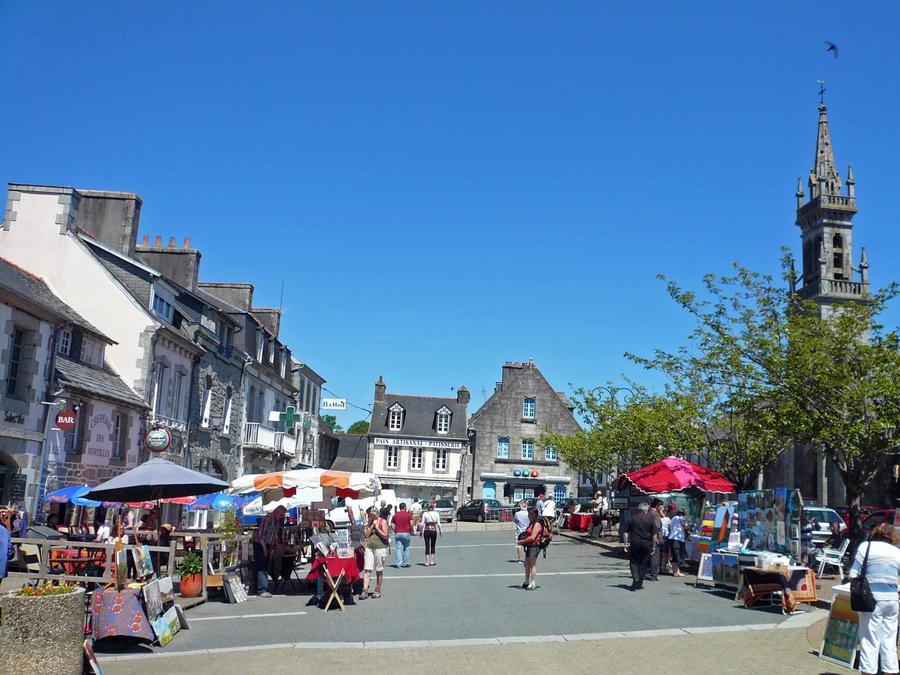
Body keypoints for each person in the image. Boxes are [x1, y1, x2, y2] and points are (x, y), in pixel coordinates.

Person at [849, 523, 900, 675]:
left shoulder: (866, 547)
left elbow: (853, 574)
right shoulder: (897, 552)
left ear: (876, 533)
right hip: (892, 600)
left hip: (871, 600)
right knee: (889, 641)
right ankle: (890, 671)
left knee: (869, 640)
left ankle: (868, 672)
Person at [252, 505, 286, 598]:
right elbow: (260, 535)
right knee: (262, 566)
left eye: (283, 515)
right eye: (281, 514)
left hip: (267, 544)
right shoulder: (268, 518)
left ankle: (258, 587)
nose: (282, 517)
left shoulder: (277, 521)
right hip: (260, 543)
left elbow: (273, 536)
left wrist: (270, 549)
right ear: (277, 511)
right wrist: (264, 549)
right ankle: (262, 590)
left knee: (264, 565)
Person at [623, 502, 658, 591]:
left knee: (634, 561)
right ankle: (639, 582)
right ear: (647, 510)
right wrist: (653, 546)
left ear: (639, 509)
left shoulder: (632, 518)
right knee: (644, 563)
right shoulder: (650, 519)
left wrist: (626, 544)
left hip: (635, 541)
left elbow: (625, 532)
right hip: (646, 542)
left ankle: (636, 578)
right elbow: (654, 535)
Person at [361, 506, 389, 599]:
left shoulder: (382, 521)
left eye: (370, 515)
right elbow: (366, 535)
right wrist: (371, 525)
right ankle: (364, 590)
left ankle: (377, 590)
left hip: (380, 547)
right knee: (367, 569)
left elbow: (385, 535)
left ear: (374, 514)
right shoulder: (369, 523)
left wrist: (377, 528)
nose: (369, 516)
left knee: (378, 569)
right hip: (369, 547)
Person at [519, 507, 544, 590]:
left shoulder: (537, 524)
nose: (528, 516)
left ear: (533, 515)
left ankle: (533, 583)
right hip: (529, 546)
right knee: (526, 564)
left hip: (534, 546)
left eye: (529, 514)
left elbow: (533, 537)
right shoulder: (531, 523)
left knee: (532, 565)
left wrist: (523, 542)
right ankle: (526, 581)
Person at [667, 509, 688, 577]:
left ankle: (675, 571)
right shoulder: (681, 518)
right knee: (678, 555)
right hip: (678, 539)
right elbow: (685, 526)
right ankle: (677, 571)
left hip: (672, 538)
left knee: (674, 555)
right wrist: (687, 526)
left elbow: (670, 526)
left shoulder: (673, 518)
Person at [392, 502, 413, 568]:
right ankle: (405, 563)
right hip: (406, 532)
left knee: (398, 549)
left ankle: (398, 563)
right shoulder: (408, 515)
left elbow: (392, 524)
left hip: (398, 532)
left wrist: (395, 530)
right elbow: (411, 524)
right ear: (405, 507)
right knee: (406, 548)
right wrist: (411, 530)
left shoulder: (396, 515)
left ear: (399, 507)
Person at [648, 499, 664, 581]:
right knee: (655, 557)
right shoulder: (655, 514)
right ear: (657, 505)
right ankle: (654, 575)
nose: (662, 508)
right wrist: (657, 538)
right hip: (655, 538)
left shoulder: (649, 512)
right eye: (661, 506)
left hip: (648, 537)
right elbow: (657, 527)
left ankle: (648, 573)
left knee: (650, 556)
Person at [422, 501, 442, 566]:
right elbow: (439, 523)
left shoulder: (425, 513)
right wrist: (440, 531)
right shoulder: (436, 513)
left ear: (427, 508)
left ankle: (427, 561)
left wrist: (421, 532)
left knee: (427, 545)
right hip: (433, 530)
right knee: (433, 545)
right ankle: (432, 561)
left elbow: (422, 524)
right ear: (433, 508)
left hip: (426, 530)